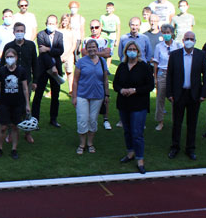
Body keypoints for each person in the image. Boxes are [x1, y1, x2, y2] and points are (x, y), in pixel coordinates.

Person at [113, 41, 154, 174]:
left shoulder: (144, 67)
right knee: (127, 131)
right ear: (125, 52)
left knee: (137, 133)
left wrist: (135, 90)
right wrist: (121, 90)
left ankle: (140, 159)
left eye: (134, 49)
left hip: (139, 104)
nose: (132, 51)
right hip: (124, 103)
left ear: (138, 52)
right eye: (129, 49)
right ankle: (130, 152)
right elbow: (115, 84)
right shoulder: (122, 66)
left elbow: (150, 86)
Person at [166, 31, 206, 160]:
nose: (189, 41)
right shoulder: (175, 55)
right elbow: (170, 76)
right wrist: (169, 93)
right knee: (177, 123)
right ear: (183, 40)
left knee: (192, 123)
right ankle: (175, 147)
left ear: (195, 41)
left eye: (192, 39)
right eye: (187, 38)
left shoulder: (201, 55)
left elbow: (205, 76)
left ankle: (190, 148)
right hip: (179, 94)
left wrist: (203, 94)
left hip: (194, 94)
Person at [0, 22, 38, 141]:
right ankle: (11, 133)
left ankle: (28, 133)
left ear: (25, 32)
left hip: (26, 81)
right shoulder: (8, 46)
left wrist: (35, 80)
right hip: (12, 82)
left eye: (22, 31)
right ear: (14, 32)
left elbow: (35, 64)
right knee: (12, 107)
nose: (19, 33)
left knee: (26, 107)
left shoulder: (31, 45)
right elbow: (3, 64)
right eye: (17, 31)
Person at [0, 48, 30, 158]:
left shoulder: (21, 71)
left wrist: (27, 104)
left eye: (11, 57)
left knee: (15, 127)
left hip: (18, 104)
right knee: (3, 127)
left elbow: (25, 89)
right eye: (7, 57)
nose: (9, 59)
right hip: (4, 103)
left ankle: (14, 149)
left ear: (16, 58)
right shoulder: (2, 71)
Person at [72, 40, 109, 155]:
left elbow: (105, 80)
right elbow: (75, 81)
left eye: (94, 47)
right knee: (83, 120)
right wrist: (74, 97)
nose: (92, 49)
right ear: (86, 49)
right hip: (82, 95)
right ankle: (82, 144)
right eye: (89, 47)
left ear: (97, 48)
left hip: (98, 96)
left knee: (93, 120)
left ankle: (90, 143)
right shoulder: (81, 62)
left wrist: (106, 94)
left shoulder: (102, 62)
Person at [31, 15, 65, 128]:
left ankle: (53, 119)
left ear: (56, 24)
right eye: (49, 23)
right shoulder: (41, 34)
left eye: (53, 23)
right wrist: (52, 66)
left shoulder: (60, 35)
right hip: (43, 69)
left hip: (56, 69)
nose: (51, 25)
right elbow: (42, 52)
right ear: (46, 23)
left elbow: (60, 51)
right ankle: (35, 120)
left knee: (55, 96)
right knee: (38, 95)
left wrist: (48, 49)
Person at [84, 19, 115, 131]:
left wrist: (92, 52)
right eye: (92, 27)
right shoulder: (86, 39)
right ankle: (89, 118)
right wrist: (98, 53)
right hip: (88, 70)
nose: (94, 29)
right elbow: (83, 52)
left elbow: (108, 53)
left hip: (102, 68)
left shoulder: (105, 39)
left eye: (96, 27)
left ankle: (106, 119)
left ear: (100, 27)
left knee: (105, 93)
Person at [151, 24, 182, 131]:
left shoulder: (177, 46)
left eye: (168, 33)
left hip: (174, 75)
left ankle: (176, 121)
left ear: (172, 33)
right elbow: (155, 63)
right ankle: (160, 121)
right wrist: (155, 78)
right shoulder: (159, 46)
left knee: (175, 99)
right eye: (164, 33)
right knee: (160, 99)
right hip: (162, 74)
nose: (166, 35)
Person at [58, 13, 80, 94]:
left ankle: (71, 90)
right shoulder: (58, 30)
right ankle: (53, 90)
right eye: (63, 20)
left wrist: (67, 55)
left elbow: (74, 44)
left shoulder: (72, 31)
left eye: (66, 20)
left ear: (69, 22)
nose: (64, 22)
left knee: (69, 72)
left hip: (69, 55)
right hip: (58, 55)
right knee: (56, 73)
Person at [99, 2, 120, 69]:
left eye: (110, 8)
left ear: (113, 9)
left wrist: (117, 40)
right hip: (103, 35)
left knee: (110, 52)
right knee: (101, 51)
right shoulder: (102, 17)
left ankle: (107, 67)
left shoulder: (116, 18)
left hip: (112, 36)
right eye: (107, 8)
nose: (109, 10)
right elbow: (100, 27)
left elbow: (118, 29)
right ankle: (101, 65)